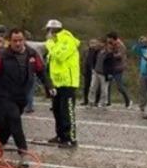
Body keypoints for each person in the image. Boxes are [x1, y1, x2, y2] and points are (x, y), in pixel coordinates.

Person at [0, 29, 54, 168]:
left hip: (22, 96)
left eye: (20, 40)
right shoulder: (2, 55)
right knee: (15, 120)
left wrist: (49, 86)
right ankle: (23, 153)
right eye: (15, 41)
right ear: (10, 41)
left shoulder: (32, 54)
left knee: (7, 125)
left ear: (24, 40)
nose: (18, 43)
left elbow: (41, 71)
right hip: (5, 95)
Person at [44, 19, 80, 148]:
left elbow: (60, 56)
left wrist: (50, 44)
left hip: (68, 82)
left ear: (52, 30)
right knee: (57, 110)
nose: (47, 34)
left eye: (48, 31)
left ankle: (70, 138)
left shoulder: (67, 39)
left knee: (67, 111)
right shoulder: (55, 42)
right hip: (57, 83)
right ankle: (60, 135)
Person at [106, 32, 132, 108]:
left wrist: (111, 55)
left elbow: (120, 55)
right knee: (108, 85)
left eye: (109, 38)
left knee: (119, 86)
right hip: (111, 67)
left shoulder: (120, 45)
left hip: (118, 67)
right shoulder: (110, 44)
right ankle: (108, 102)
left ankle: (128, 100)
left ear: (112, 38)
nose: (107, 39)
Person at [87, 39, 112, 107]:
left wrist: (110, 73)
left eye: (101, 43)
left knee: (104, 89)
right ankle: (91, 101)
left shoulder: (109, 53)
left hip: (104, 73)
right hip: (96, 72)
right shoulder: (97, 51)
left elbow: (111, 64)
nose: (100, 44)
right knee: (92, 87)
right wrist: (93, 68)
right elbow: (93, 59)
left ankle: (103, 102)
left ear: (104, 44)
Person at [132, 37, 147, 113]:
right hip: (143, 73)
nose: (145, 42)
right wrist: (139, 42)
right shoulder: (142, 50)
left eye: (146, 41)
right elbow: (134, 49)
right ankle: (141, 106)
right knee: (142, 91)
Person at [81, 39, 100, 106]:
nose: (92, 44)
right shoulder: (86, 51)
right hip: (87, 70)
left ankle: (96, 101)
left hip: (95, 70)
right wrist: (82, 69)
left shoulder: (98, 51)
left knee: (96, 86)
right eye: (91, 43)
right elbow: (82, 60)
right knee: (86, 86)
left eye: (94, 43)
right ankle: (86, 100)